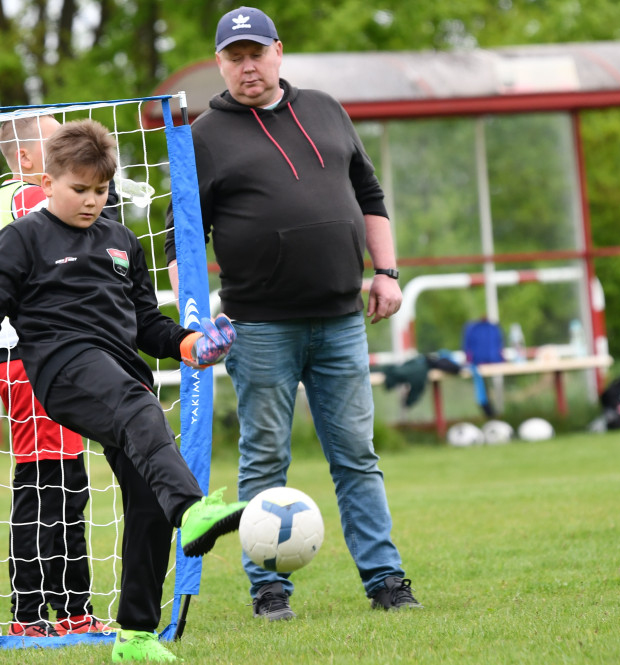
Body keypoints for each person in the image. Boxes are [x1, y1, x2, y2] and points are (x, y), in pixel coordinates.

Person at [0, 119, 245, 663]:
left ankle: (136, 636)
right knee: (141, 412)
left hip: (122, 374)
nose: (92, 201)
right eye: (80, 189)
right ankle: (192, 509)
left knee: (147, 491)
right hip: (61, 370)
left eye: (101, 190)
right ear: (47, 182)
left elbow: (147, 324)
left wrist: (189, 344)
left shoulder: (123, 242)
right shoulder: (21, 239)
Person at [165, 6, 421, 621]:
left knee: (357, 456)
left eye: (256, 53)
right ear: (220, 64)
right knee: (264, 460)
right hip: (258, 327)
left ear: (277, 51)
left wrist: (386, 272)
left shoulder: (327, 109)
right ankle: (268, 589)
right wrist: (195, 320)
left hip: (341, 319)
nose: (247, 66)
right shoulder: (202, 137)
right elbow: (182, 240)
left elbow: (369, 195)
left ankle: (386, 581)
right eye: (234, 57)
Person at [0, 115, 108, 637]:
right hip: (28, 357)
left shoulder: (24, 199)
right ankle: (34, 615)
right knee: (46, 486)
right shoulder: (25, 198)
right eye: (57, 142)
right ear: (29, 160)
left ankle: (68, 609)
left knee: (65, 482)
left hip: (48, 355)